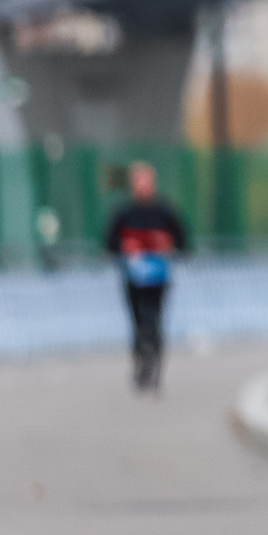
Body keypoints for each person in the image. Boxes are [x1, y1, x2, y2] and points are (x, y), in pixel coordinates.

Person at [103, 162, 189, 393]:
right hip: (133, 277)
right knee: (137, 321)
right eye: (138, 183)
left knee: (155, 320)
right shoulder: (124, 213)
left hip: (158, 276)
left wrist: (165, 245)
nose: (142, 187)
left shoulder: (165, 211)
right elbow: (109, 243)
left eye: (146, 182)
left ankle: (156, 365)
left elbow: (182, 240)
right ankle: (140, 363)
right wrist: (126, 248)